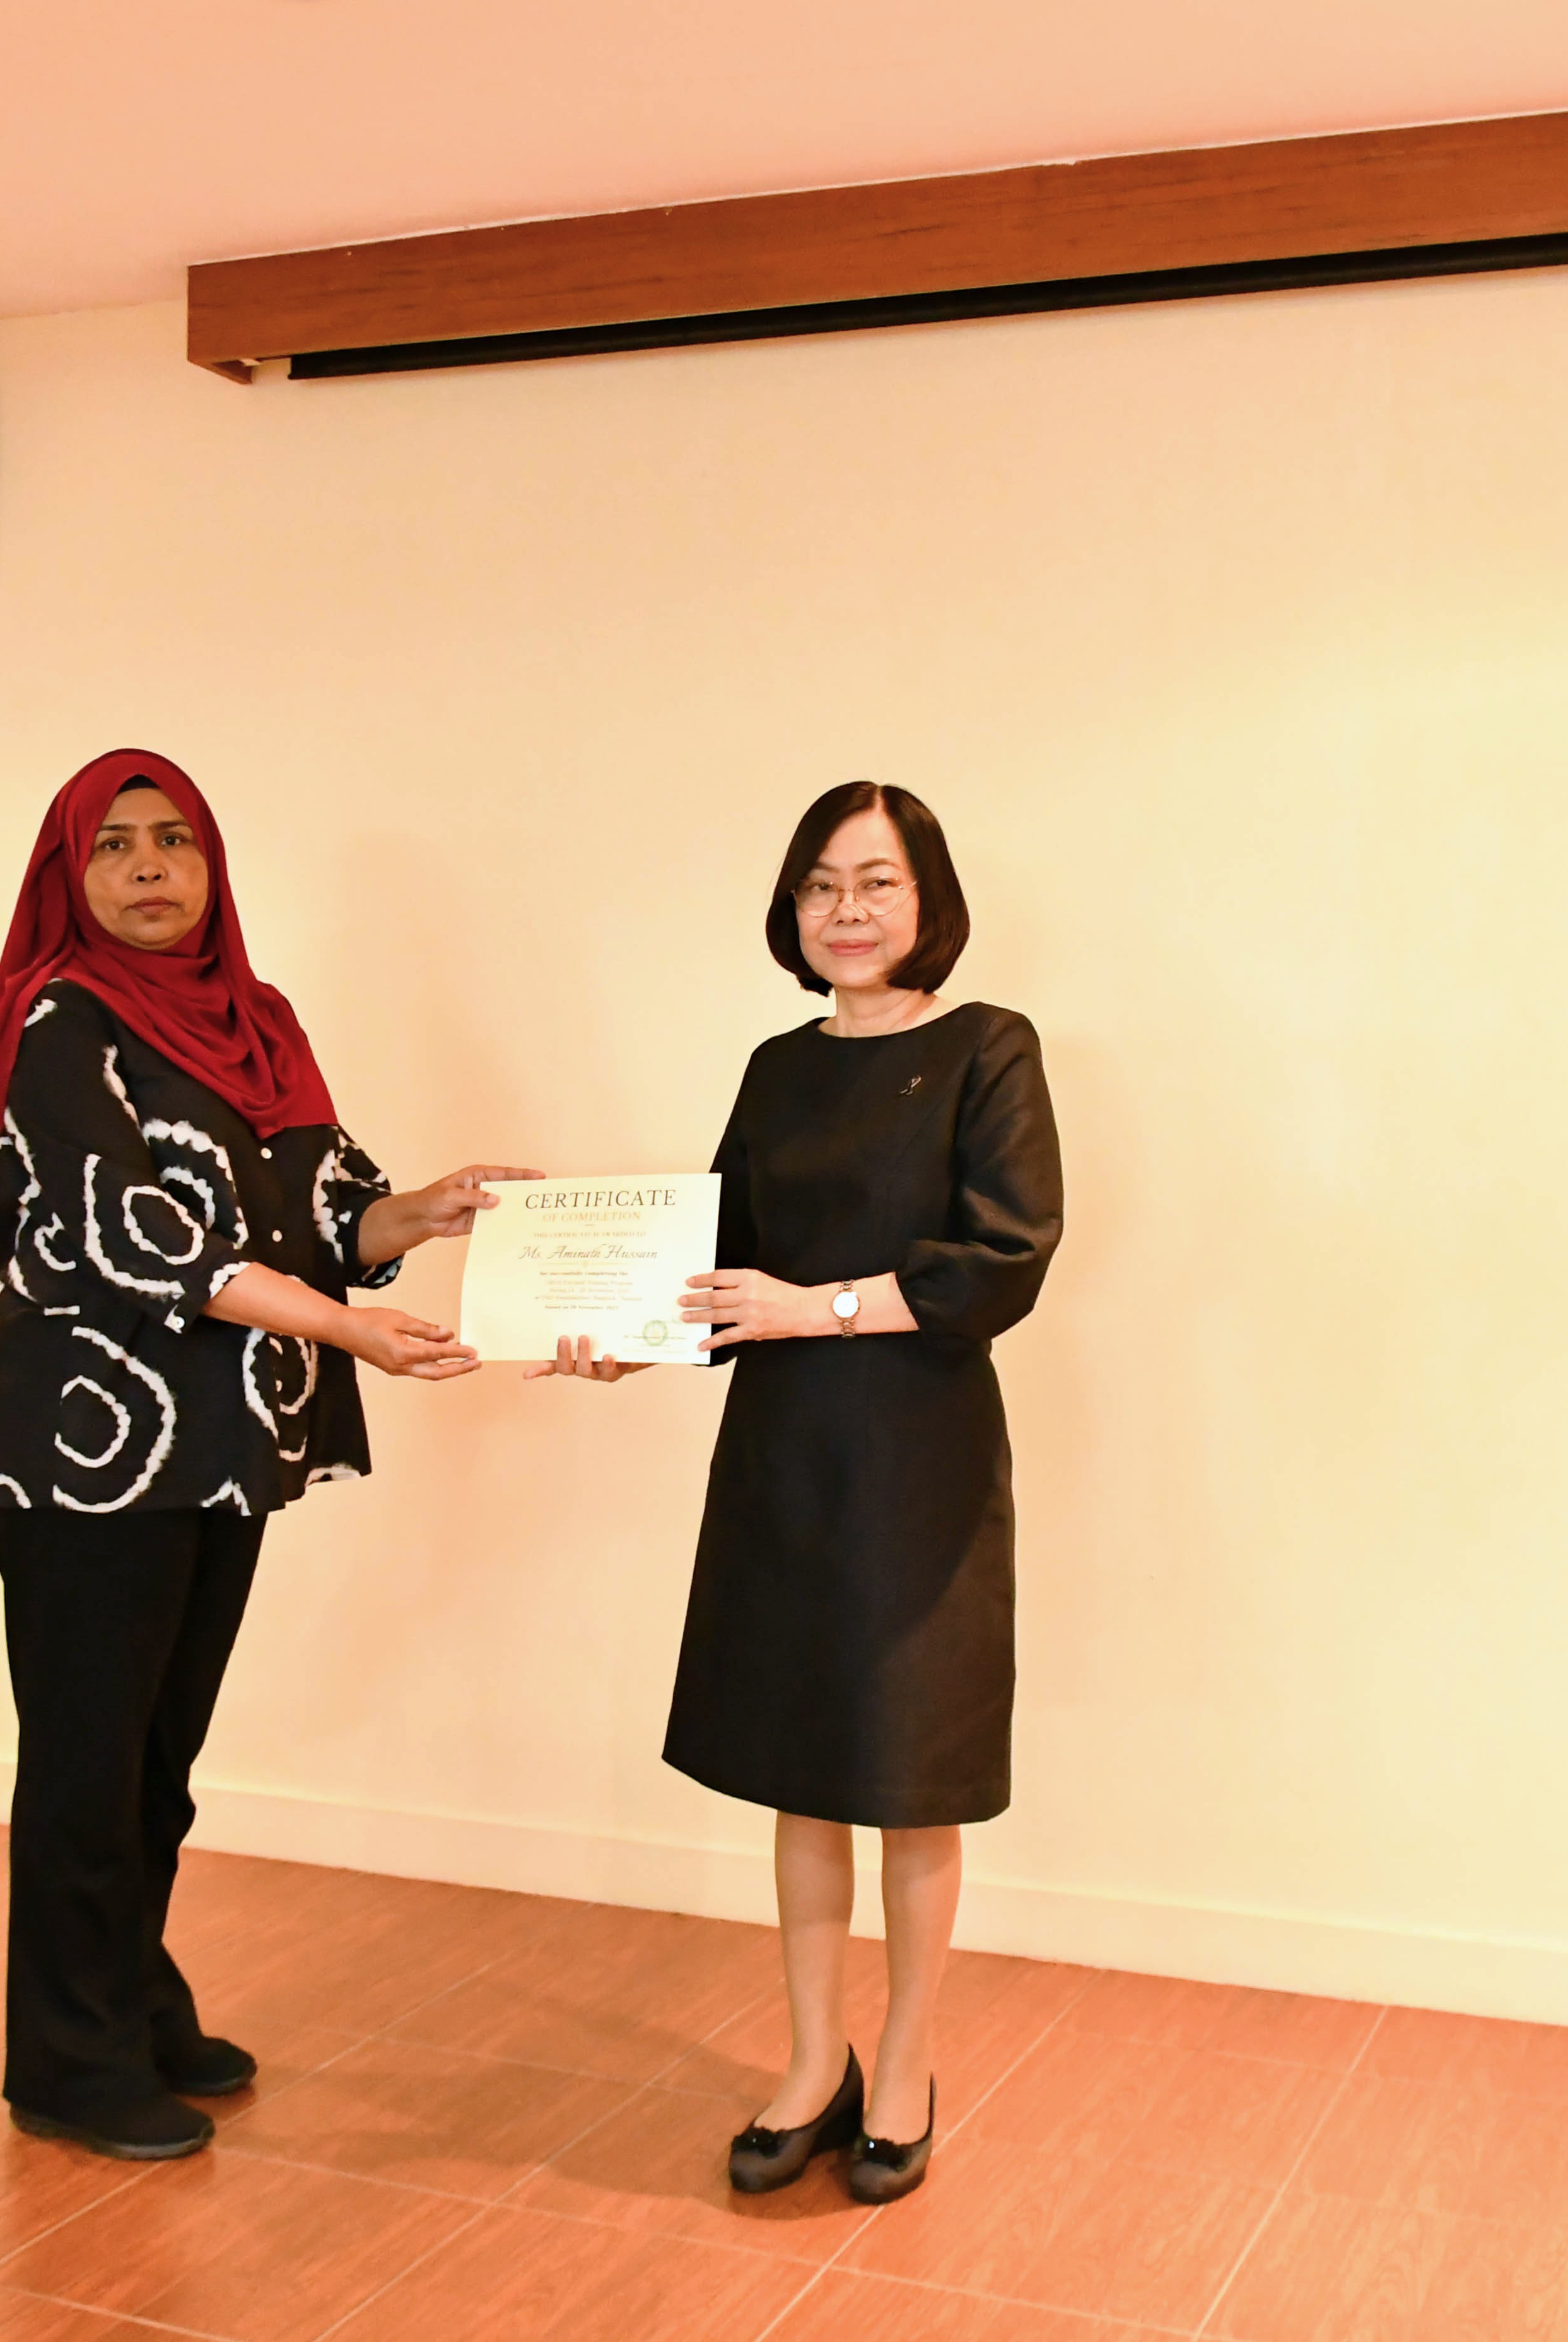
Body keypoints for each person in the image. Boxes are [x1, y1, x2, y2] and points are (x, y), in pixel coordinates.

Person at [0, 747, 531, 2159]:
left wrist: (430, 1209)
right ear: (70, 875)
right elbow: (140, 1237)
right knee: (90, 1761)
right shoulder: (60, 1020)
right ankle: (66, 2061)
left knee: (159, 1759)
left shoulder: (255, 1022)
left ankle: (132, 2004)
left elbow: (325, 1210)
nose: (149, 866)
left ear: (211, 863)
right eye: (113, 845)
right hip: (85, 1448)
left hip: (218, 1446)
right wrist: (349, 1331)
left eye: (174, 839)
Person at [533, 780, 1062, 2204]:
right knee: (802, 1770)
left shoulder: (989, 1048)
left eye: (877, 882)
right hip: (783, 1457)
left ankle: (906, 2062)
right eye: (821, 884)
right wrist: (619, 1337)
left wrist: (809, 1308)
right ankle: (813, 2060)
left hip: (919, 1458)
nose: (847, 910)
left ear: (927, 899)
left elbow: (1003, 1261)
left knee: (909, 1771)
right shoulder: (777, 1067)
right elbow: (715, 1267)